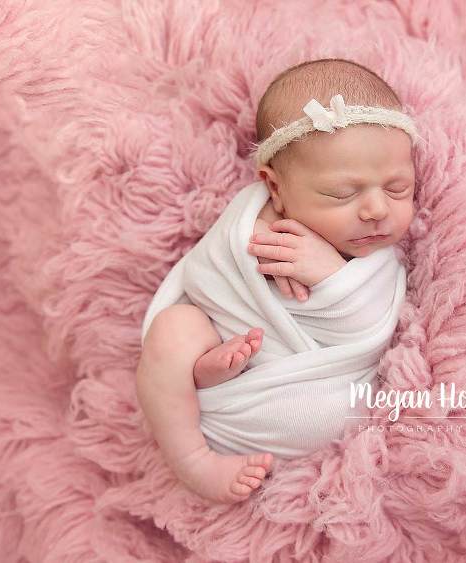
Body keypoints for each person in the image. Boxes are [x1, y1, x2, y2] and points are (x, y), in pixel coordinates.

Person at [135, 58, 419, 503]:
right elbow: (206, 278)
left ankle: (215, 375)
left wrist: (330, 274)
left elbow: (370, 331)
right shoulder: (246, 221)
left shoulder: (379, 256)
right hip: (219, 401)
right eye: (342, 194)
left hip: (320, 398)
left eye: (398, 188)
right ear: (275, 188)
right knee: (172, 330)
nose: (377, 210)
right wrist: (252, 247)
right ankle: (193, 457)